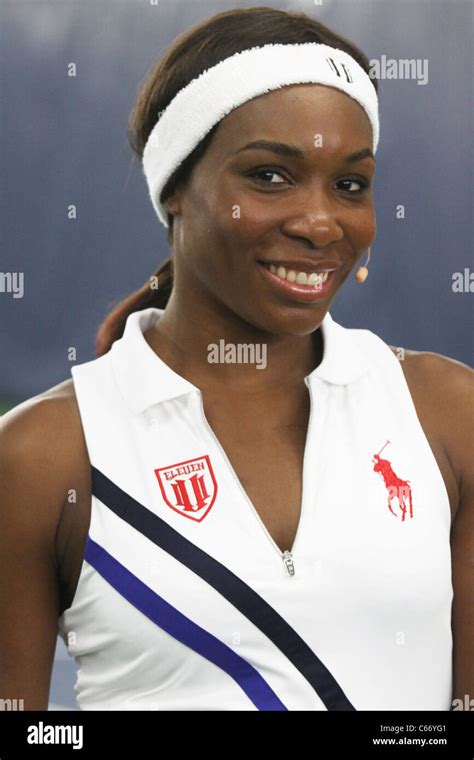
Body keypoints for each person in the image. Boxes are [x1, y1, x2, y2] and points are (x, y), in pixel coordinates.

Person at [0, 7, 472, 712]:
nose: (319, 223)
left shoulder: (448, 413)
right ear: (175, 193)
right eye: (271, 177)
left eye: (350, 185)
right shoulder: (42, 456)